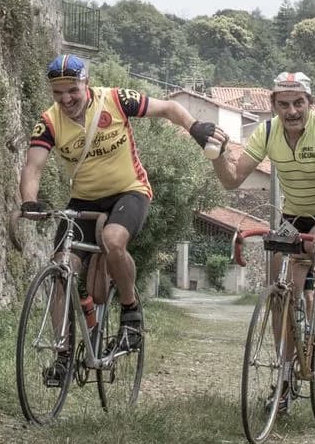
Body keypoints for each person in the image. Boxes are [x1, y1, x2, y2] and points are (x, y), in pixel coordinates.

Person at [19, 54, 226, 384]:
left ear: (86, 83)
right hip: (83, 200)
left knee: (114, 240)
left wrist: (196, 127)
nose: (66, 99)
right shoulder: (49, 122)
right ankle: (62, 354)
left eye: (72, 90)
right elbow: (33, 167)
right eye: (58, 94)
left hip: (129, 191)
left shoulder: (115, 100)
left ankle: (130, 314)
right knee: (61, 267)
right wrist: (29, 201)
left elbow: (169, 109)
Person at [208, 71, 315, 411]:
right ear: (272, 104)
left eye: (298, 104)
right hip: (294, 213)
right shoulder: (267, 132)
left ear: (310, 103)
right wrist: (218, 155)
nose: (291, 111)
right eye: (283, 104)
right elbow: (232, 180)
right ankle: (286, 376)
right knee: (282, 286)